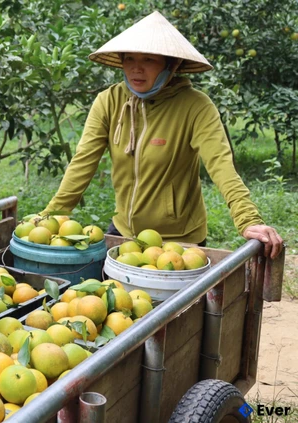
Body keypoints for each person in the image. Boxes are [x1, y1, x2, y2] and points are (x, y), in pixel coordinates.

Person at [43, 11, 283, 259]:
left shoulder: (196, 106)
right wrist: (50, 216)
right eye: (129, 58)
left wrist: (248, 219)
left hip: (179, 241)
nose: (136, 68)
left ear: (172, 64)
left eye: (148, 59)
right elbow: (83, 162)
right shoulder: (109, 102)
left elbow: (221, 165)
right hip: (125, 233)